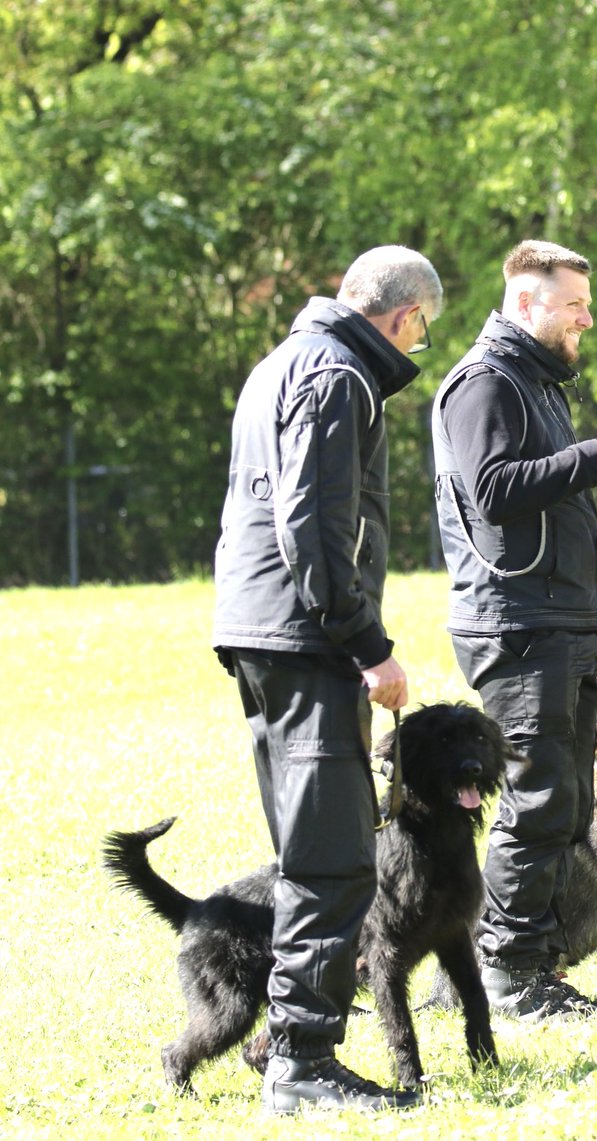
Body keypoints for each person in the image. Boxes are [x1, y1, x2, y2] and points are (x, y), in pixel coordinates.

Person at [212, 245, 442, 1112]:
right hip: (306, 637)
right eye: (423, 327)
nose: (420, 342)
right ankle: (302, 1063)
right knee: (337, 857)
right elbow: (312, 519)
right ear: (401, 316)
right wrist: (366, 642)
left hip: (260, 629)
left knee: (310, 849)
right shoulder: (339, 375)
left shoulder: (281, 362)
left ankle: (283, 1041)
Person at [431, 239, 597, 1021]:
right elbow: (494, 489)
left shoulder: (534, 382)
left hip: (559, 616)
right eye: (574, 305)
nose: (586, 319)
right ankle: (506, 974)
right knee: (536, 804)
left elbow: (545, 499)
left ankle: (517, 963)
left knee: (562, 808)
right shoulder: (485, 383)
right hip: (517, 626)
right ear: (527, 303)